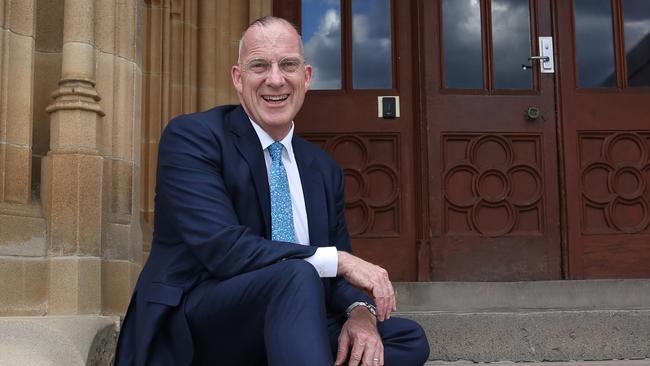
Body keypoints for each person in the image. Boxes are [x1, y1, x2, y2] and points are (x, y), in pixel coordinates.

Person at [115, 16, 429, 366]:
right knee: (296, 274)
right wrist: (338, 260)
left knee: (405, 339)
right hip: (203, 325)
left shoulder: (322, 169)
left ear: (307, 77)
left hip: (292, 319)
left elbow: (339, 278)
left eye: (288, 65)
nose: (275, 79)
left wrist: (360, 314)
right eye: (259, 65)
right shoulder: (193, 138)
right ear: (238, 78)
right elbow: (225, 250)